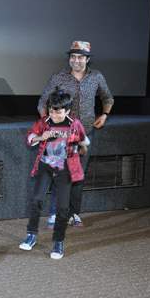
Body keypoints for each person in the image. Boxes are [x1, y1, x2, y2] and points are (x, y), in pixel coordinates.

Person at [37, 41, 114, 227]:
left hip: (84, 134)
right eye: (73, 57)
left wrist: (104, 115)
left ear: (87, 59)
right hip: (61, 135)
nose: (76, 60)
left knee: (78, 174)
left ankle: (73, 213)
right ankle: (56, 213)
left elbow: (107, 98)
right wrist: (48, 123)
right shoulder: (59, 77)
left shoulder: (96, 77)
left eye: (80, 57)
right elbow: (42, 102)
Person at [20, 88, 89, 259]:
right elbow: (30, 139)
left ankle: (58, 242)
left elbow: (83, 140)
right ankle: (31, 235)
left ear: (66, 111)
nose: (54, 115)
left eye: (58, 112)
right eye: (51, 110)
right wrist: (41, 137)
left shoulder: (75, 124)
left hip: (65, 168)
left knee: (63, 208)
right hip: (45, 166)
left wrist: (82, 149)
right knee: (36, 200)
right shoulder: (44, 122)